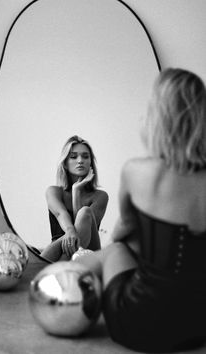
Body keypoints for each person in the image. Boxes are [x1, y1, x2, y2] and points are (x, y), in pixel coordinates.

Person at [74, 68, 206, 352]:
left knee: (115, 251)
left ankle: (69, 278)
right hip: (198, 326)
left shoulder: (137, 172)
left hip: (137, 322)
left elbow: (122, 233)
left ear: (158, 118)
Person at [40, 135, 109, 262]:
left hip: (88, 251)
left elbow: (83, 224)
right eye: (73, 157)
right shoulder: (54, 191)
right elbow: (61, 214)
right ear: (65, 164)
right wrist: (70, 231)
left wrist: (76, 191)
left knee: (85, 212)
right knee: (72, 233)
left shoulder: (100, 196)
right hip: (58, 251)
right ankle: (61, 267)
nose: (80, 160)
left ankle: (52, 268)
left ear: (90, 163)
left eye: (85, 156)